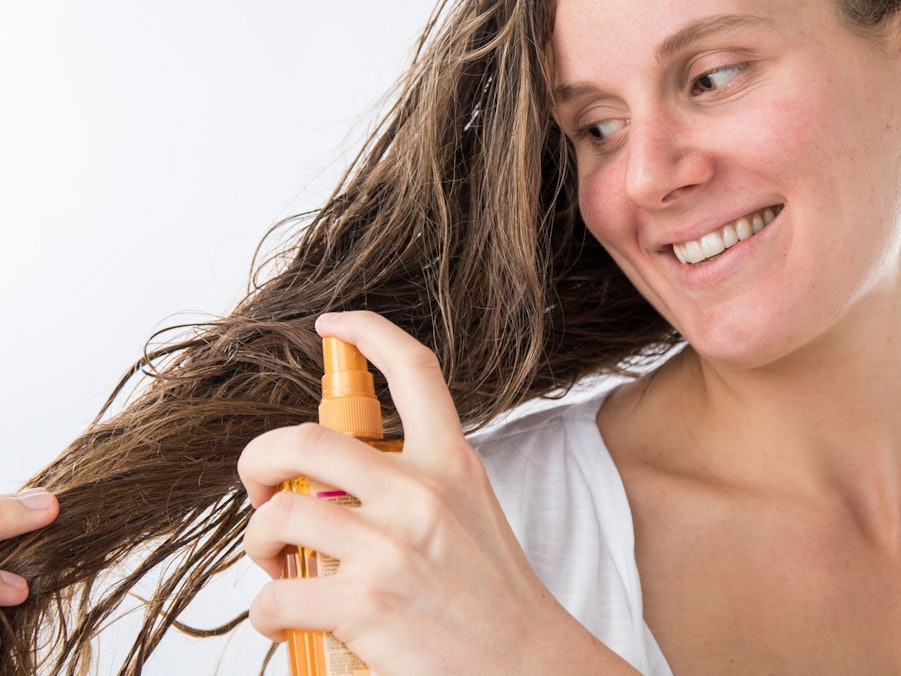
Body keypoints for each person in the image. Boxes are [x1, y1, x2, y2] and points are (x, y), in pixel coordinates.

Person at [3, 0, 901, 673]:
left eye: (712, 76)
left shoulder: (482, 604)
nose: (646, 177)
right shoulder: (463, 546)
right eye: (596, 127)